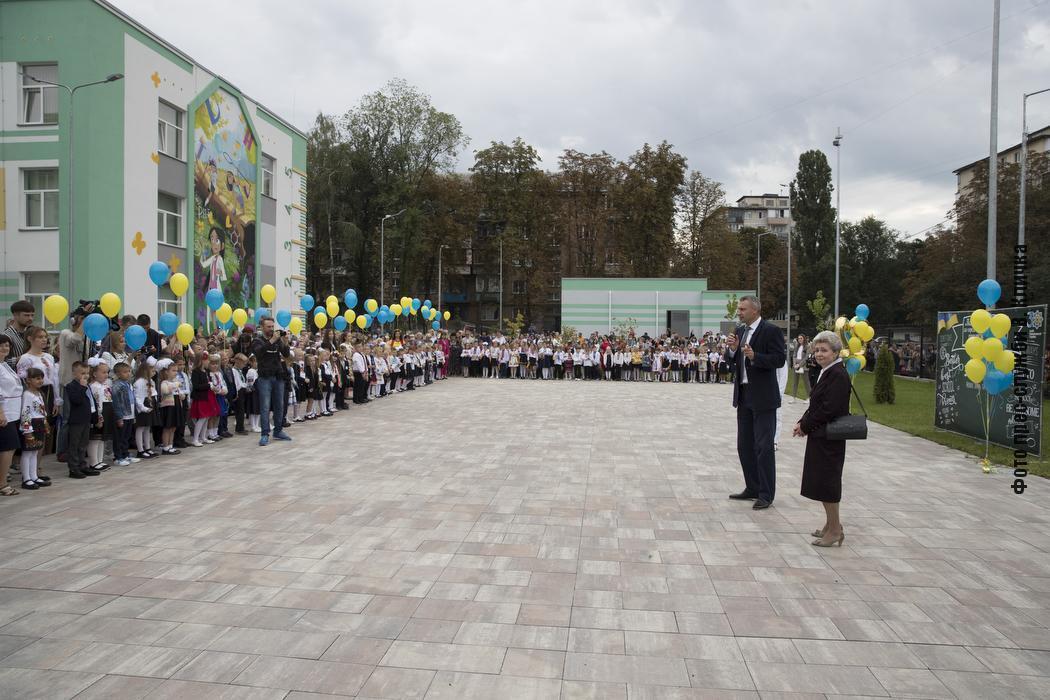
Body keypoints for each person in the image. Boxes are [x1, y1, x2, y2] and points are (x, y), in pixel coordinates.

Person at [724, 295, 786, 510]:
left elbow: (779, 359)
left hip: (764, 398)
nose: (739, 312)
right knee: (745, 446)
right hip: (743, 396)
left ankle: (766, 494)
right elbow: (730, 360)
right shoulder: (740, 331)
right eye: (739, 309)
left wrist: (755, 356)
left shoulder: (771, 331)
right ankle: (752, 486)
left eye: (742, 309)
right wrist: (732, 349)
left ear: (755, 310)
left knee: (764, 447)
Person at [793, 330, 851, 547]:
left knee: (827, 483)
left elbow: (829, 409)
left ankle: (835, 530)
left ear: (835, 352)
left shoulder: (837, 374)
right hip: (821, 434)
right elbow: (816, 404)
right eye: (816, 350)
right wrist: (802, 422)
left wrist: (806, 426)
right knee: (822, 481)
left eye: (824, 350)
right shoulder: (826, 371)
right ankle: (831, 524)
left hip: (829, 438)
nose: (819, 354)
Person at [249, 318, 291, 445]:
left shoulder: (277, 339)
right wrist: (272, 341)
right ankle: (265, 434)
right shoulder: (257, 340)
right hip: (265, 377)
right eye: (268, 327)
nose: (271, 329)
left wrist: (285, 341)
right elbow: (259, 353)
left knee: (280, 405)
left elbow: (286, 353)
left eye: (272, 326)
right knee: (265, 406)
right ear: (262, 327)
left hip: (278, 376)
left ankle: (278, 430)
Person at [63, 361, 98, 479]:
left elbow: (91, 402)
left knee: (83, 444)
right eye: (82, 373)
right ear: (74, 374)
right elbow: (76, 400)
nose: (86, 376)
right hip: (76, 420)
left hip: (86, 419)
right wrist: (82, 387)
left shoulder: (87, 386)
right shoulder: (71, 386)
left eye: (87, 373)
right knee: (75, 444)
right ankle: (73, 468)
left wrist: (95, 416)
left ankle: (82, 465)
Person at [0, 336, 23, 494]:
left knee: (9, 446)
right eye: (1, 346)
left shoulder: (4, 365)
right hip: (4, 412)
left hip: (13, 411)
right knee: (8, 446)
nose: (4, 348)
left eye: (7, 345)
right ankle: (2, 484)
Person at [3, 299, 35, 369]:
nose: (30, 318)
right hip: (15, 378)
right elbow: (2, 362)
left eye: (32, 315)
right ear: (15, 315)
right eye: (26, 315)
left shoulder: (30, 334)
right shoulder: (6, 336)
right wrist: (26, 357)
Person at [788, 334, 811, 401]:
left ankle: (809, 397)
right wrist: (795, 364)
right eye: (798, 338)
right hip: (796, 366)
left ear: (804, 338)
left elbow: (806, 357)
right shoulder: (797, 346)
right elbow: (794, 355)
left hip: (803, 366)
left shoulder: (807, 346)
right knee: (795, 382)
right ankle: (793, 397)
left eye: (801, 338)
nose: (799, 339)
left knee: (806, 382)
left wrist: (799, 365)